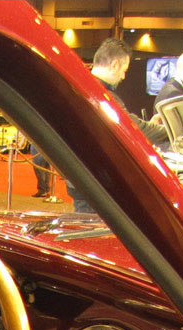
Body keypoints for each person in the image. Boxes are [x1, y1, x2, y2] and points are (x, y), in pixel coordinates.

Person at [67, 38, 168, 213]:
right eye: (124, 70)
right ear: (114, 65)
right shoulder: (100, 95)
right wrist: (169, 131)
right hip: (96, 181)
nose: (123, 76)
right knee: (94, 226)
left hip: (83, 177)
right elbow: (133, 128)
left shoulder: (81, 86)